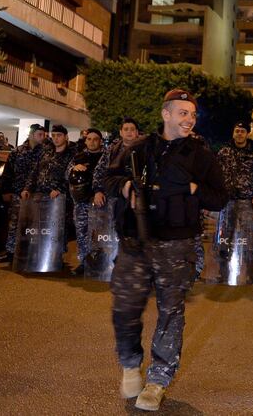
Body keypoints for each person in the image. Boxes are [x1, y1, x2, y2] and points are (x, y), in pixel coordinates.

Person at [103, 89, 227, 411]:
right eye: (183, 113)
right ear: (166, 114)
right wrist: (126, 186)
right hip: (136, 241)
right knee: (126, 307)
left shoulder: (200, 154)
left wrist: (193, 189)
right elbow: (108, 178)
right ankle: (130, 363)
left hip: (177, 245)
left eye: (193, 114)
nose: (189, 119)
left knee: (170, 313)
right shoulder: (139, 149)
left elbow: (220, 197)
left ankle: (158, 379)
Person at [216, 121, 253, 283]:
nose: (239, 133)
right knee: (225, 236)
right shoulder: (224, 151)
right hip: (228, 200)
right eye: (237, 130)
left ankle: (250, 271)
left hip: (247, 201)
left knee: (248, 236)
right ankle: (222, 271)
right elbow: (216, 173)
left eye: (242, 131)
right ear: (233, 133)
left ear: (247, 134)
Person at [0, 124, 47, 263]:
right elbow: (8, 173)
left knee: (35, 224)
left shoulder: (45, 152)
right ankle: (11, 251)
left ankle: (32, 252)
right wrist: (5, 190)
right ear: (31, 134)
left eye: (43, 134)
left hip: (37, 194)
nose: (42, 137)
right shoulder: (17, 151)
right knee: (15, 223)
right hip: (18, 193)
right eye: (39, 134)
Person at [66, 128, 105, 275]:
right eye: (89, 139)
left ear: (100, 141)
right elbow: (66, 173)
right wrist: (73, 168)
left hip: (101, 203)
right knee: (82, 233)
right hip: (81, 203)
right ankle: (84, 263)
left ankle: (100, 262)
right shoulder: (79, 157)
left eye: (95, 139)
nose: (92, 142)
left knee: (100, 234)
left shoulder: (106, 156)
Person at [91, 118, 143, 209]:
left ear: (137, 132)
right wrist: (98, 191)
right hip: (115, 197)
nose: (129, 132)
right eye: (126, 129)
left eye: (132, 129)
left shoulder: (144, 149)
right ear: (121, 132)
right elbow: (99, 171)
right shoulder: (112, 150)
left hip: (139, 196)